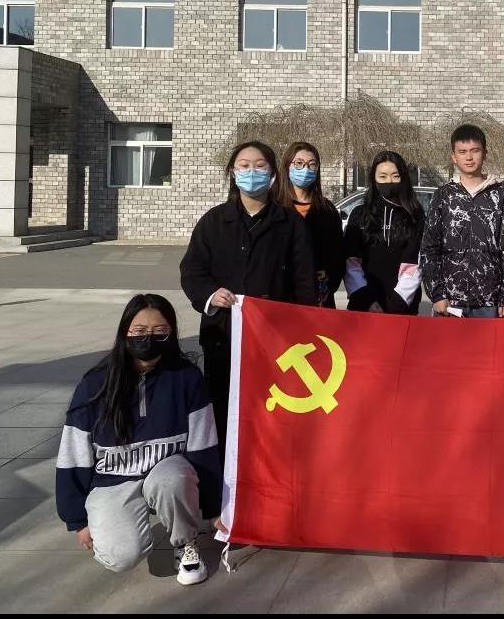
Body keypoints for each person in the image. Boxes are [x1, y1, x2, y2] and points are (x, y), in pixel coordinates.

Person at [56, 294, 223, 586]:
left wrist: (213, 509)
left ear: (171, 333)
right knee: (121, 557)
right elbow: (74, 453)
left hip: (168, 472)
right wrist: (77, 520)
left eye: (160, 331)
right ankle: (128, 520)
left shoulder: (186, 378)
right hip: (114, 480)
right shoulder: (95, 383)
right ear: (125, 332)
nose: (149, 338)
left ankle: (185, 541)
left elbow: (204, 446)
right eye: (140, 331)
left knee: (173, 479)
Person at [180, 141, 315, 454]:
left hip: (277, 340)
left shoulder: (290, 223)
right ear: (233, 172)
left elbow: (304, 280)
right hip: (223, 334)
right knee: (223, 410)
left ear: (273, 174)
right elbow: (192, 271)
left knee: (272, 413)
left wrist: (302, 326)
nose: (251, 172)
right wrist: (210, 295)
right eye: (244, 166)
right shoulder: (213, 222)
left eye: (259, 166)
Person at [420, 124, 504, 318]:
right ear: (453, 157)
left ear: (485, 153)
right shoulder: (443, 196)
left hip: (489, 301)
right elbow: (430, 248)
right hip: (449, 301)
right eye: (462, 152)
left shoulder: (501, 196)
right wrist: (437, 293)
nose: (469, 157)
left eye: (475, 151)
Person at [344, 150, 425, 314]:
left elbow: (414, 264)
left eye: (395, 176)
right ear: (374, 179)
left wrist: (395, 304)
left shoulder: (415, 215)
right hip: (364, 307)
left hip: (402, 308)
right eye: (383, 176)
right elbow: (351, 263)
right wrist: (365, 300)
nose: (389, 181)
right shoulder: (360, 214)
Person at [278, 141, 345, 308]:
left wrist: (326, 286)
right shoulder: (275, 207)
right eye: (299, 163)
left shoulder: (327, 209)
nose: (305, 169)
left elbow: (337, 256)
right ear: (287, 166)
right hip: (280, 298)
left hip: (319, 298)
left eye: (312, 164)